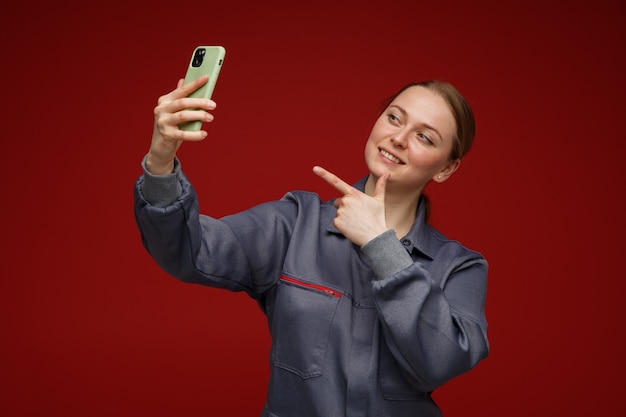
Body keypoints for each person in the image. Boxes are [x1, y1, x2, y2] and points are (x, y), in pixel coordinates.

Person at [134, 74, 489, 417]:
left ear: (447, 168)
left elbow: (440, 362)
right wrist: (160, 160)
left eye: (425, 137)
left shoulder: (460, 267)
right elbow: (187, 251)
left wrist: (381, 246)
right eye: (394, 117)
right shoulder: (293, 225)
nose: (398, 137)